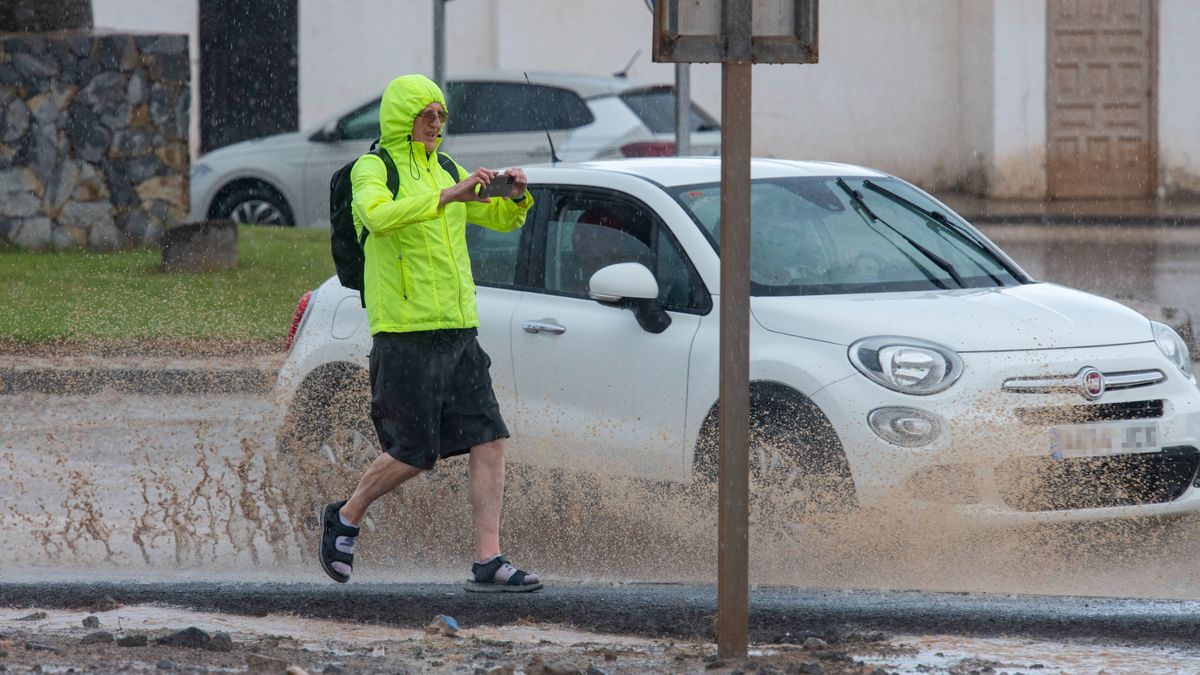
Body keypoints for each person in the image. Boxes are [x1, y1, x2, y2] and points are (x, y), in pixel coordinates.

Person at [318, 74, 541, 592]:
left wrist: (516, 198)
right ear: (404, 119)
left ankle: (489, 560)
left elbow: (502, 222)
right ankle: (345, 517)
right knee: (413, 450)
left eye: (441, 115)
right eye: (427, 116)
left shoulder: (444, 166)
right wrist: (447, 195)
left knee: (489, 438)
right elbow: (375, 216)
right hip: (405, 331)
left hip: (459, 329)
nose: (436, 125)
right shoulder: (376, 168)